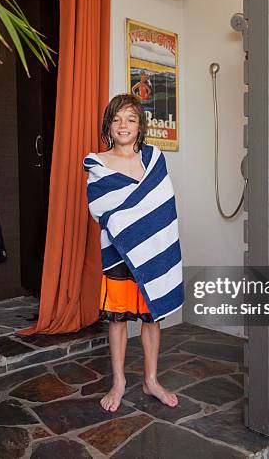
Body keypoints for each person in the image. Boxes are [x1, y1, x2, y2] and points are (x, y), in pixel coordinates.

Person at [83, 94, 184, 413]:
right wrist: (132, 219)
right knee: (118, 320)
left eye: (130, 118)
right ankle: (119, 382)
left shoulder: (154, 159)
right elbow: (100, 209)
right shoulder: (98, 163)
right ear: (108, 126)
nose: (123, 125)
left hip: (153, 252)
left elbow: (163, 207)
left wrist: (139, 222)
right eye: (116, 119)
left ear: (140, 126)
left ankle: (151, 380)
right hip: (119, 254)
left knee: (152, 319)